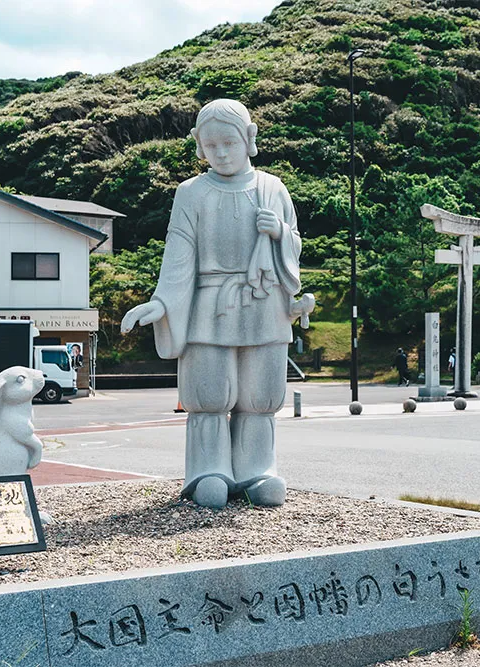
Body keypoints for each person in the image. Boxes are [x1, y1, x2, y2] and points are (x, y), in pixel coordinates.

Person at [122, 99, 309, 509]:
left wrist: (279, 232)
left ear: (249, 139)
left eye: (229, 142)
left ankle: (257, 470)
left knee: (260, 396)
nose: (221, 153)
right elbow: (179, 254)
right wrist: (162, 303)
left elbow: (294, 244)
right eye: (211, 145)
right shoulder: (191, 193)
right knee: (209, 394)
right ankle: (207, 471)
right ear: (199, 148)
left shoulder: (272, 188)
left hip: (263, 302)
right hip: (209, 303)